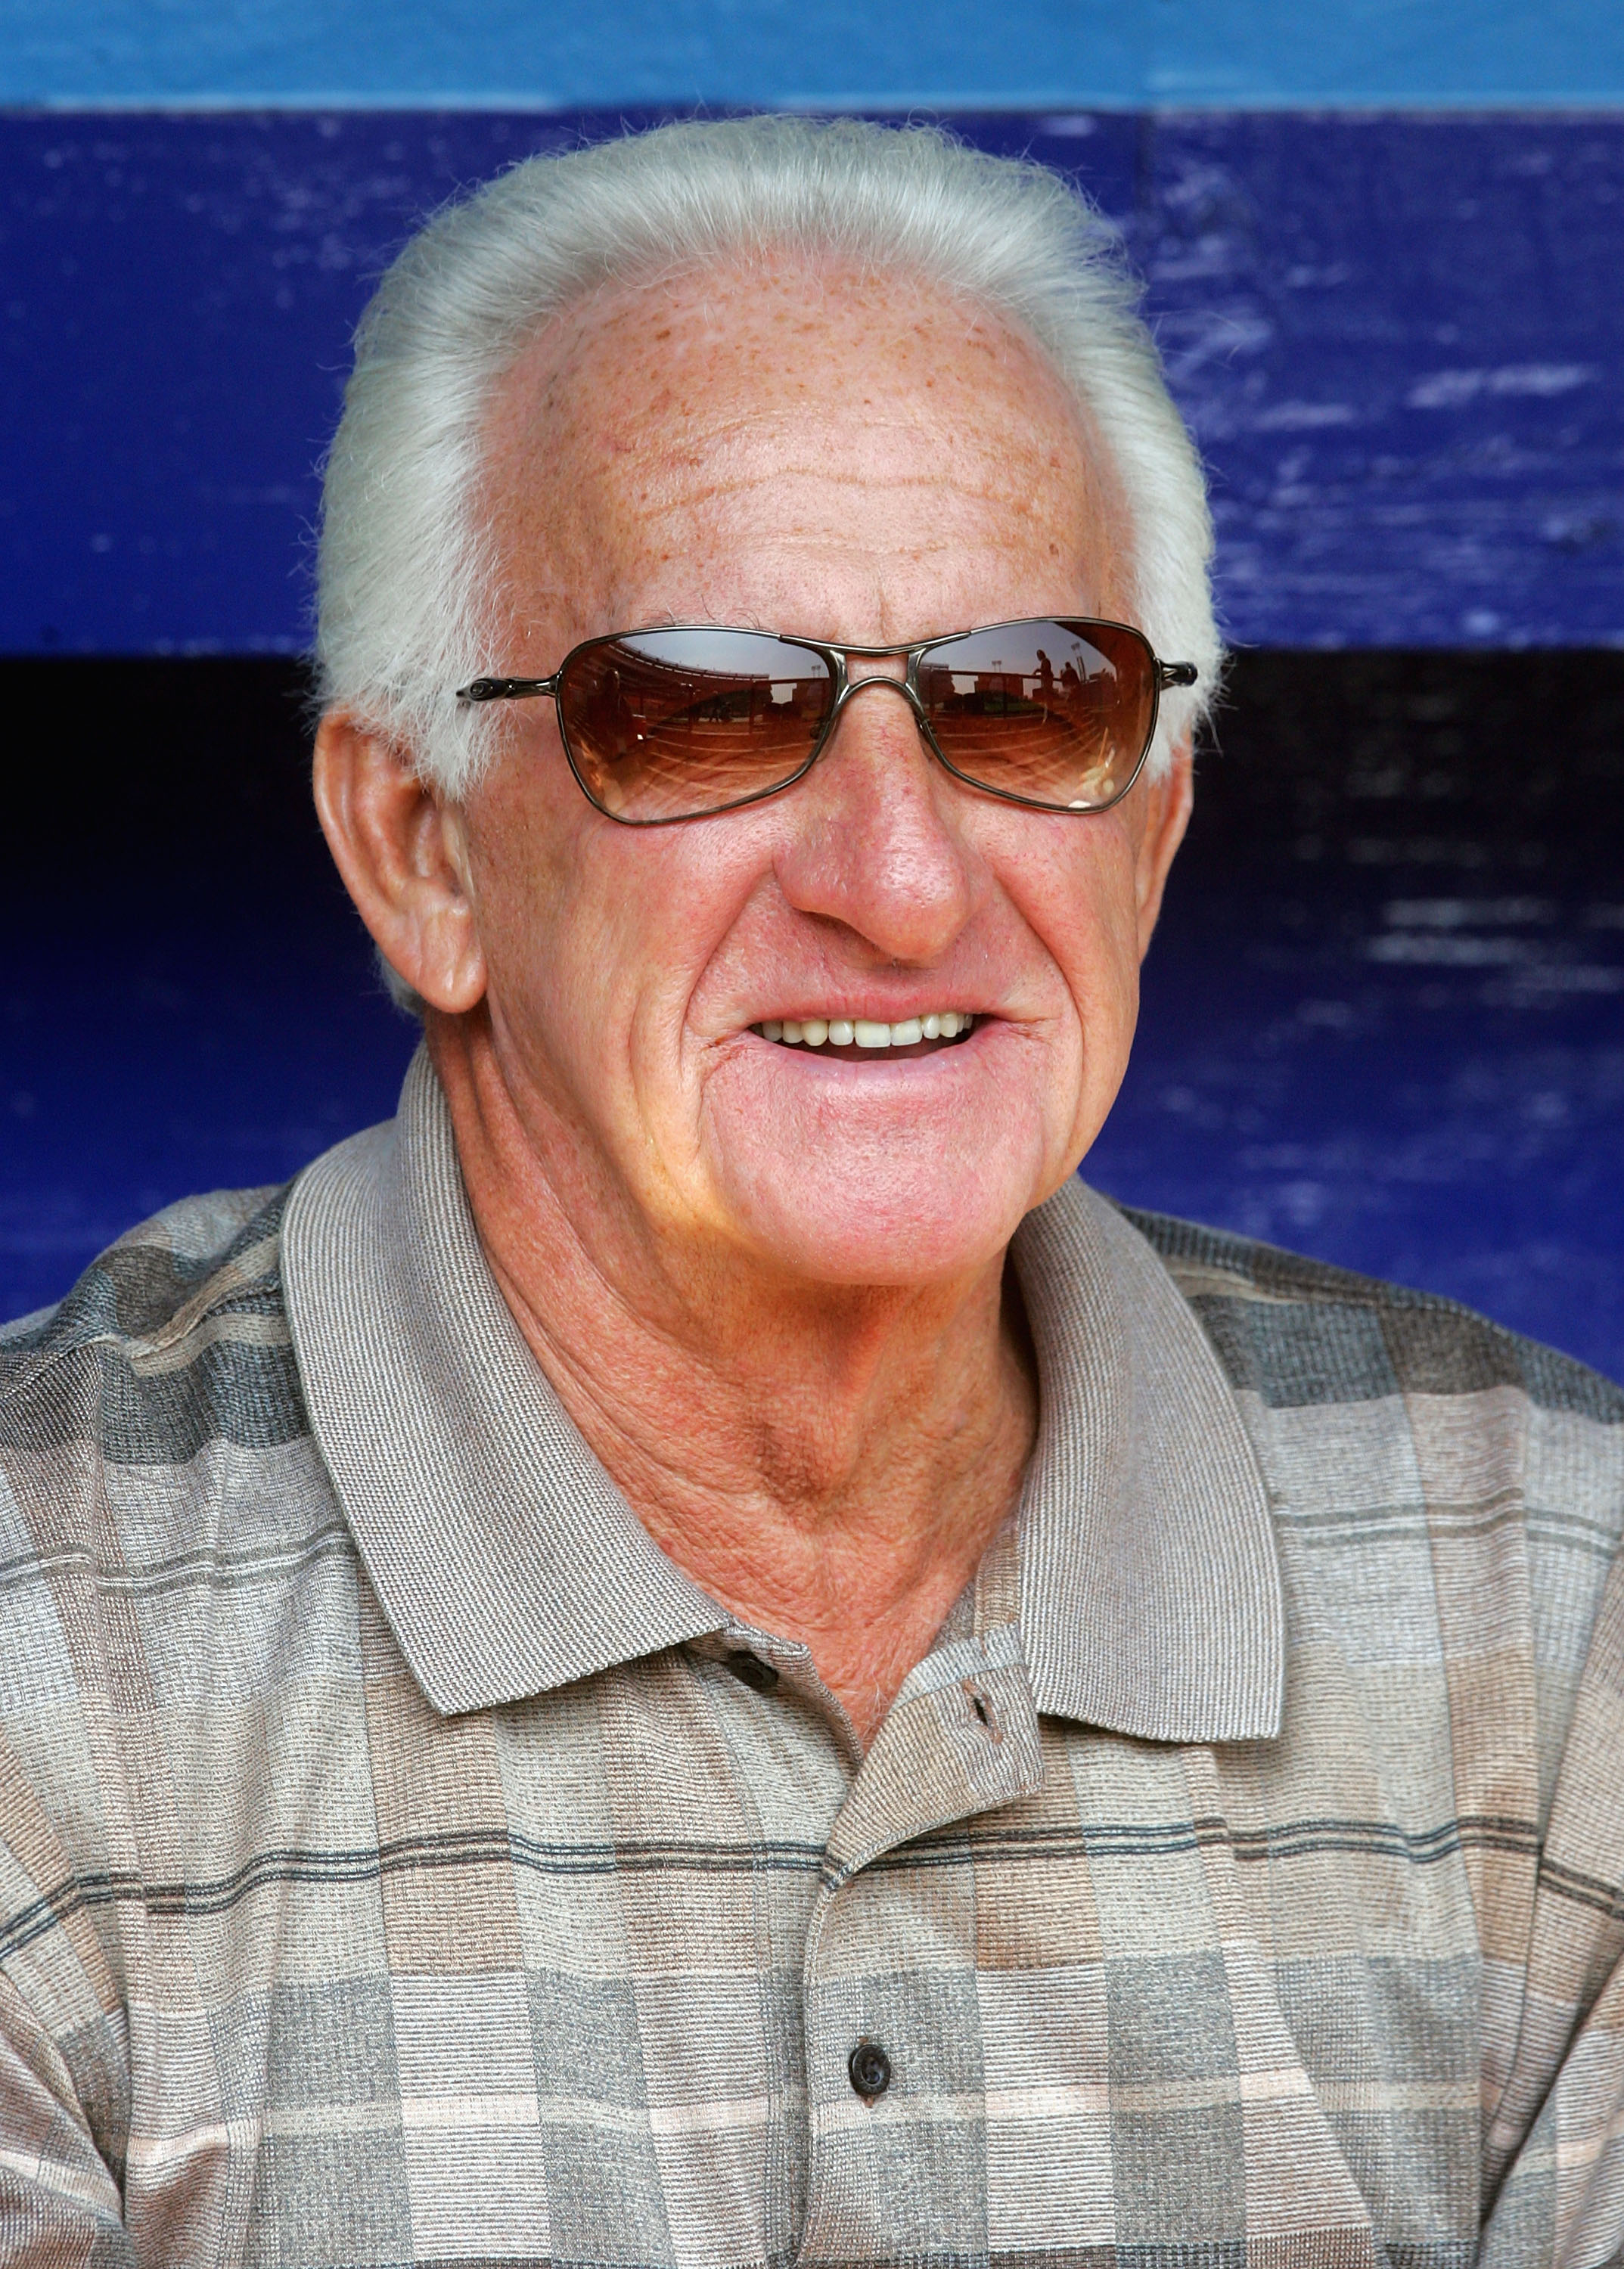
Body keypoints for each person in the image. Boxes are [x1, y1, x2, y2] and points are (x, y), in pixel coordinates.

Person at [0, 115, 1619, 2268]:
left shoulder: (1563, 1601)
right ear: (422, 849)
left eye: (1025, 702)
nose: (897, 877)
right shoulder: (37, 1644)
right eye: (697, 713)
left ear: (1145, 839)